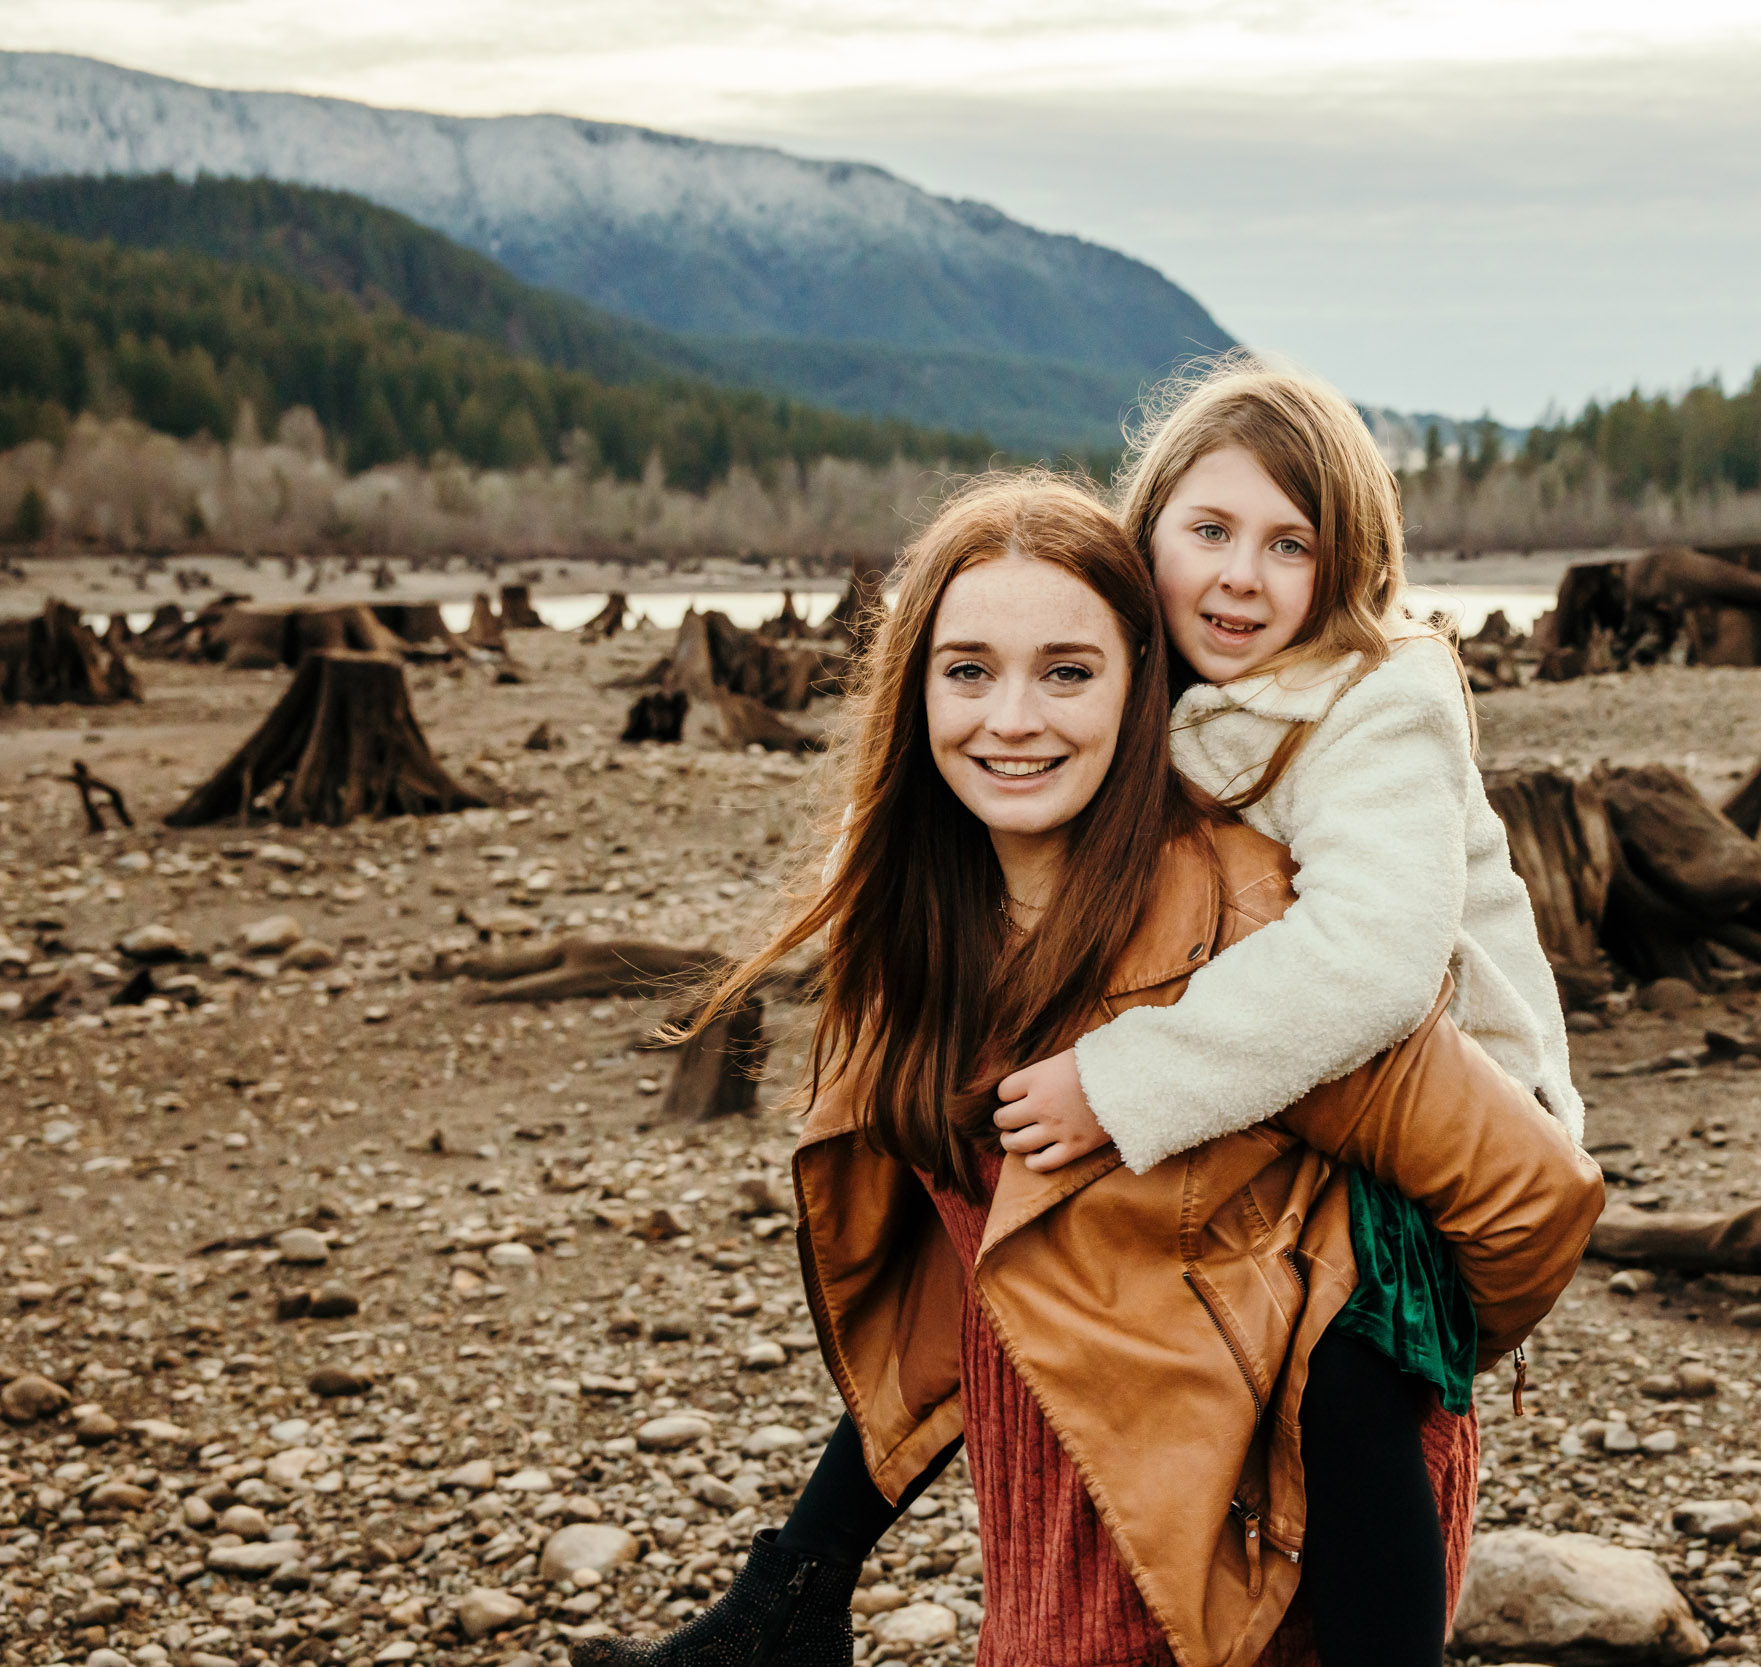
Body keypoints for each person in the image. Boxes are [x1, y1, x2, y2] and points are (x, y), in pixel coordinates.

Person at [572, 474, 1602, 1667]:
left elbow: (1531, 1195)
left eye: (1067, 672)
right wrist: (802, 1572)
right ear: (913, 691)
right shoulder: (919, 925)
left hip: (1259, 1552)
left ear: (1140, 689)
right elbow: (966, 1256)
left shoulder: (1243, 929)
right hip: (1048, 1514)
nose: (1011, 717)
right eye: (967, 671)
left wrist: (1367, 1365)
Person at [987, 354, 1584, 1664]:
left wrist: (1119, 1079)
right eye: (1208, 530)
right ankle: (801, 1572)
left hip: (1442, 1138)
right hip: (1308, 1097)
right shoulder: (1178, 696)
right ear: (1149, 531)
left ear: (1344, 566)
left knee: (1345, 1375)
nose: (1239, 577)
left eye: (1287, 543)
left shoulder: (1376, 702)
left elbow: (1370, 960)